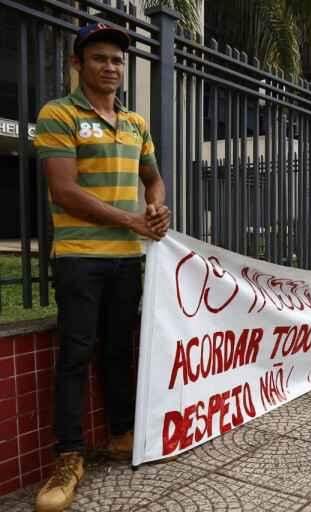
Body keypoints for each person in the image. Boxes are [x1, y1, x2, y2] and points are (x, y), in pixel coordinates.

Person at [32, 24, 171, 512]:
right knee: (75, 354)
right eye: (99, 59)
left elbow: (153, 179)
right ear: (78, 64)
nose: (110, 67)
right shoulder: (58, 114)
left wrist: (156, 207)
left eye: (116, 60)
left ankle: (119, 435)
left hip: (124, 261)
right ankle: (68, 458)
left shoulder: (134, 123)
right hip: (78, 259)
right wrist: (132, 218)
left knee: (118, 350)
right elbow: (64, 190)